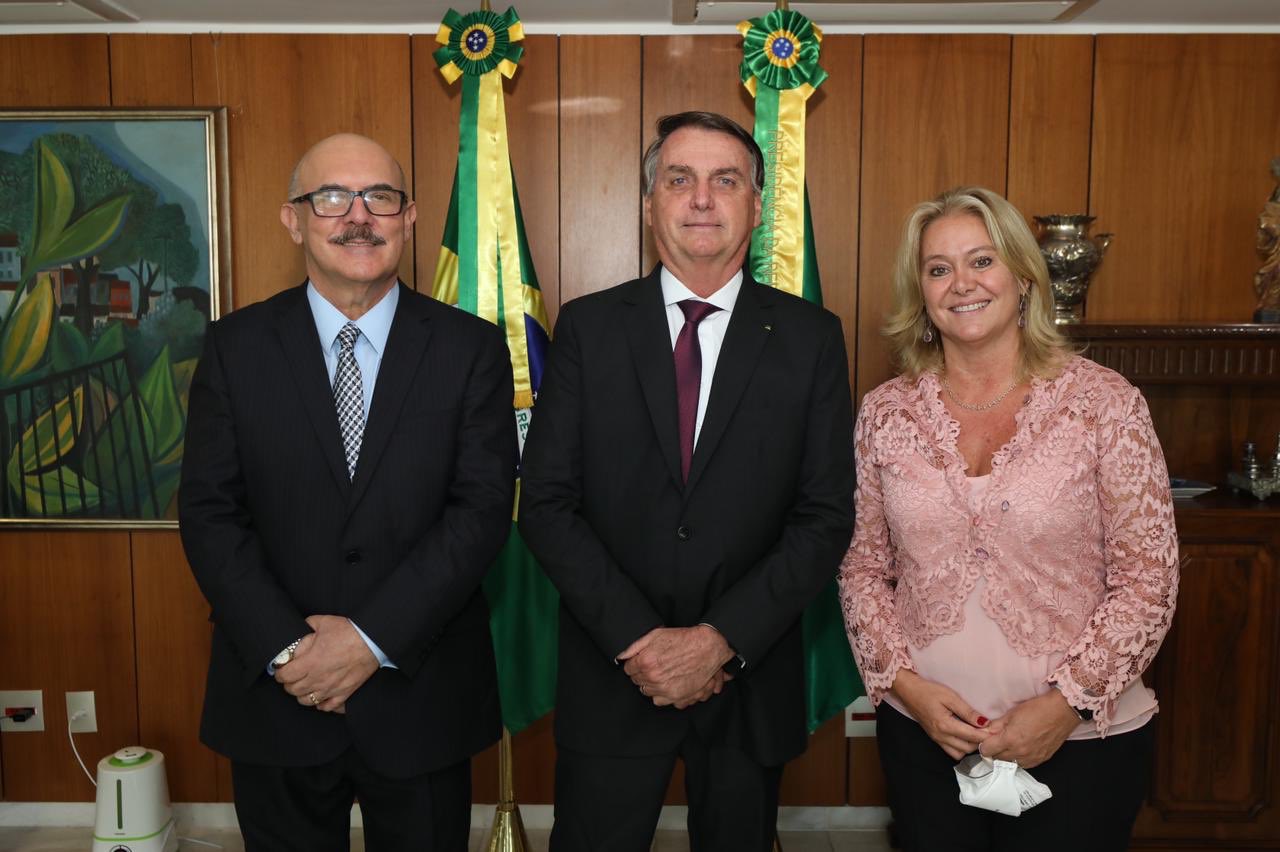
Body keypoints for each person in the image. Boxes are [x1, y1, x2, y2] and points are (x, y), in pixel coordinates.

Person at [517, 111, 855, 851]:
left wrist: (718, 641)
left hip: (746, 679)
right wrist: (640, 641)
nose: (702, 198)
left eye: (725, 181)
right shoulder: (588, 329)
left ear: (757, 208)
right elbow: (545, 503)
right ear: (649, 205)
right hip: (613, 674)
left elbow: (825, 515)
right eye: (680, 179)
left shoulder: (811, 338)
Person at [178, 133, 517, 851]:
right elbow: (210, 514)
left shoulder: (472, 348)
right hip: (278, 692)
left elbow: (481, 511)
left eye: (381, 198)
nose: (359, 216)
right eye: (332, 197)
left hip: (420, 694)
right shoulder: (235, 348)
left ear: (409, 219)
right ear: (293, 220)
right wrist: (289, 649)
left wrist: (368, 640)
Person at [839, 186, 1179, 851]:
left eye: (981, 261)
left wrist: (1066, 706)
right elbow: (861, 569)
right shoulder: (884, 413)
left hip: (1080, 743)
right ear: (922, 293)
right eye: (939, 269)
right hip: (927, 739)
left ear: (1023, 278)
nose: (961, 283)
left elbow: (1149, 579)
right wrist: (907, 689)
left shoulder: (1104, 404)